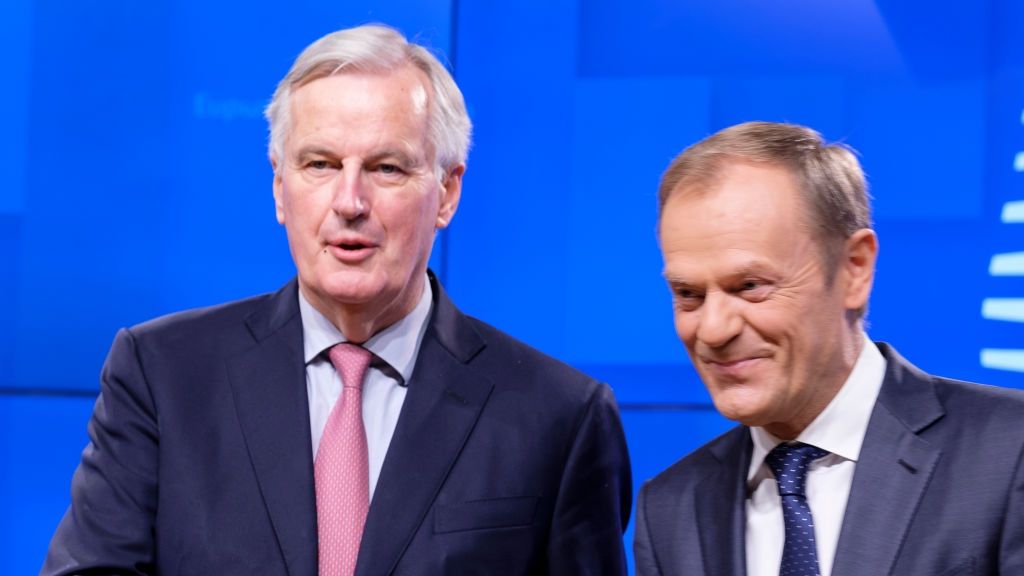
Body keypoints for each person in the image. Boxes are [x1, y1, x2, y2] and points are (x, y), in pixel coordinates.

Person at [43, 24, 631, 575]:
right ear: (280, 186)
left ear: (447, 191)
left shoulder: (560, 417)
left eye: (387, 167)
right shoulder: (162, 374)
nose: (349, 200)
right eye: (320, 164)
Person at [634, 121, 1024, 576]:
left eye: (750, 286)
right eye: (689, 295)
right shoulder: (670, 508)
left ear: (854, 269)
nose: (713, 330)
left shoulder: (1009, 452)